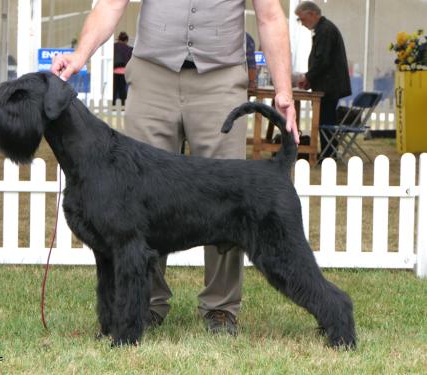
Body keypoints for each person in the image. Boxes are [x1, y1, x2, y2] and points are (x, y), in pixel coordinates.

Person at [51, 0, 298, 335]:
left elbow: (270, 17)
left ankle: (221, 307)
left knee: (229, 194)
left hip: (221, 77)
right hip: (153, 74)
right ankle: (146, 304)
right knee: (137, 199)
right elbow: (110, 4)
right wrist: (80, 57)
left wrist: (284, 91)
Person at [295, 1, 351, 159]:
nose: (301, 23)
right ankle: (328, 153)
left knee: (325, 122)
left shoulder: (325, 30)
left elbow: (322, 60)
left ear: (312, 14)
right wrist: (310, 79)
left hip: (328, 85)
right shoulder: (324, 28)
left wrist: (308, 77)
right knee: (326, 121)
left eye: (301, 19)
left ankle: (328, 155)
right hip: (327, 84)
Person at [113, 31, 133, 105]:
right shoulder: (129, 49)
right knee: (122, 91)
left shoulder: (113, 47)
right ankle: (123, 106)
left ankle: (113, 105)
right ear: (126, 40)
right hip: (124, 72)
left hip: (114, 72)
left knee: (114, 91)